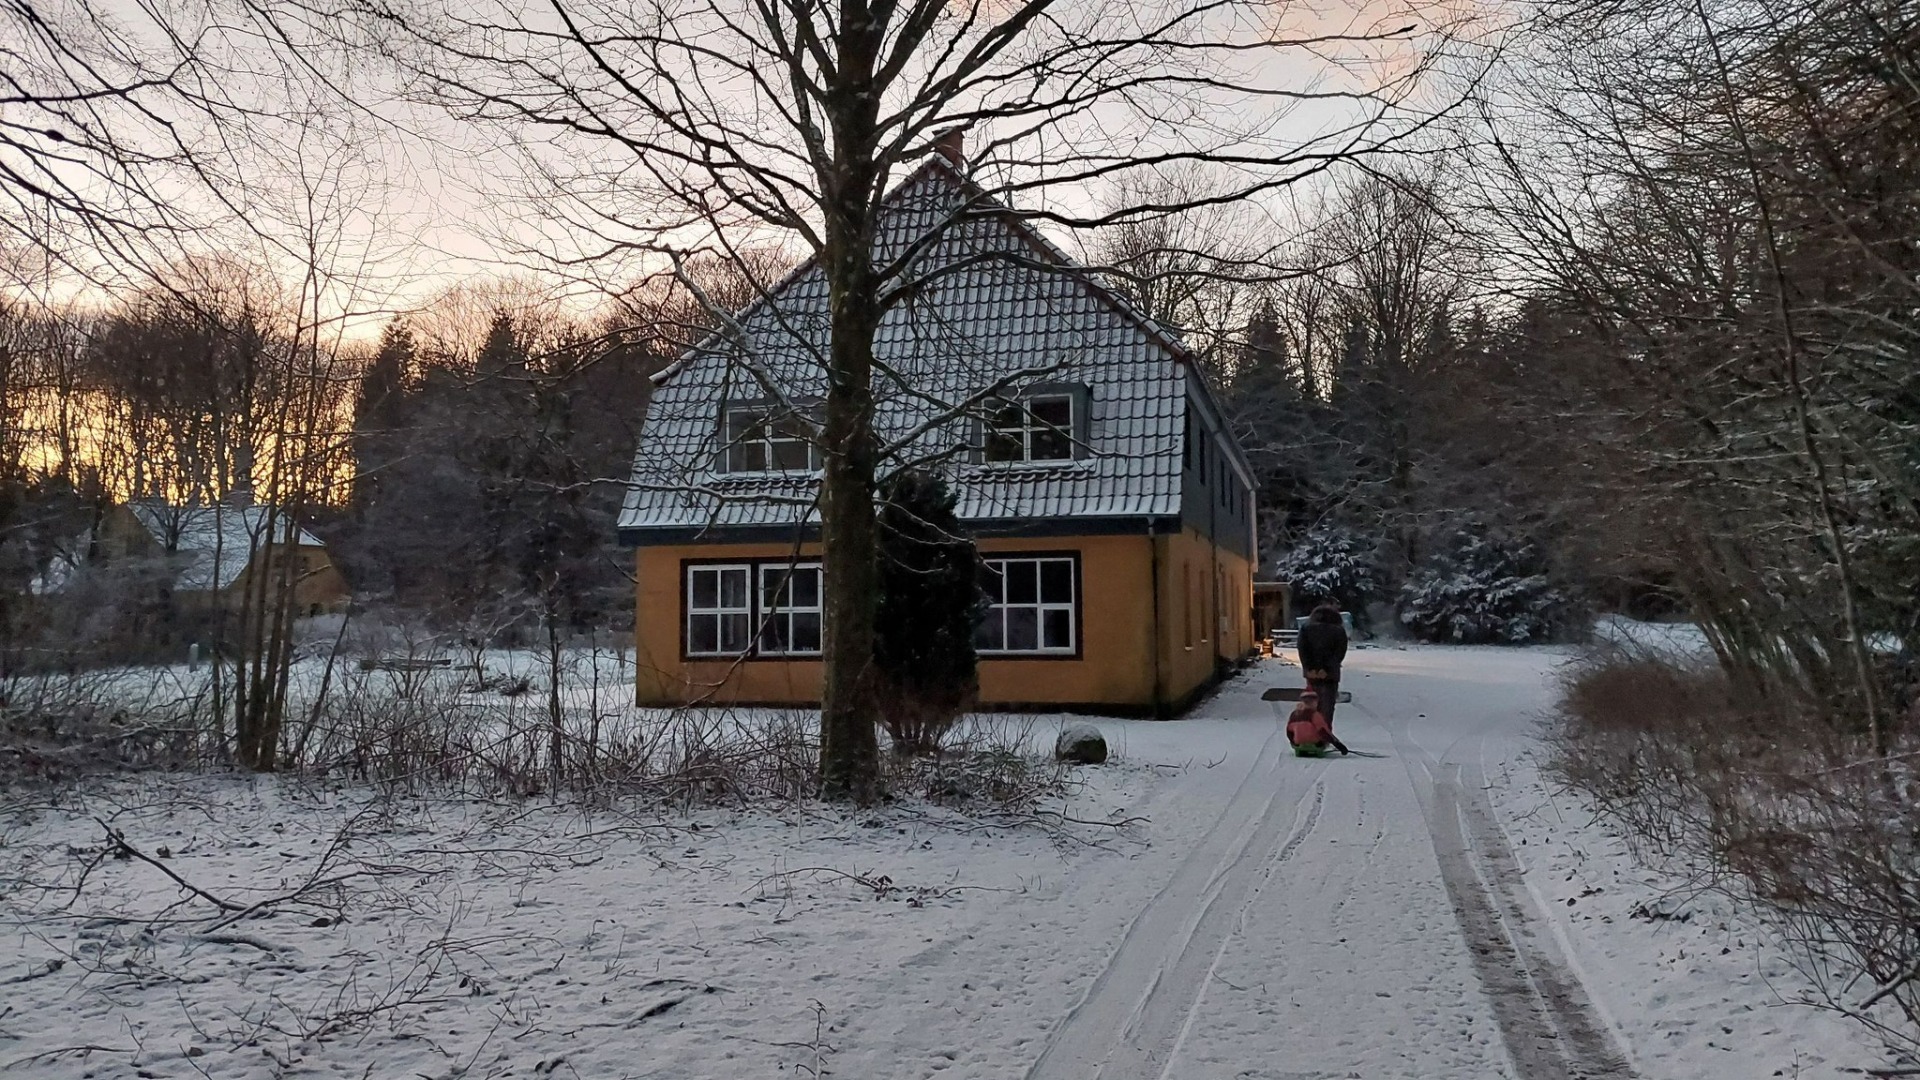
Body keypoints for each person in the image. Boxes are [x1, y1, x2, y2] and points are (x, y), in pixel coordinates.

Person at [1296, 603, 1349, 727]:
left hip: (1312, 674)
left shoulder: (1306, 628)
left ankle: (1310, 731)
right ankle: (1325, 731)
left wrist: (1309, 668)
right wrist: (1327, 669)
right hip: (1330, 675)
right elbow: (1339, 653)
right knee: (1327, 706)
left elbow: (1303, 649)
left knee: (1311, 704)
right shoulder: (1339, 630)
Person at [1286, 688, 1348, 757]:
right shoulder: (1315, 715)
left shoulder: (1294, 715)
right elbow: (1323, 732)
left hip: (1299, 743)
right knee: (1322, 736)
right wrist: (1338, 745)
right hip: (1315, 743)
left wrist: (1293, 742)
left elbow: (1289, 731)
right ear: (1315, 702)